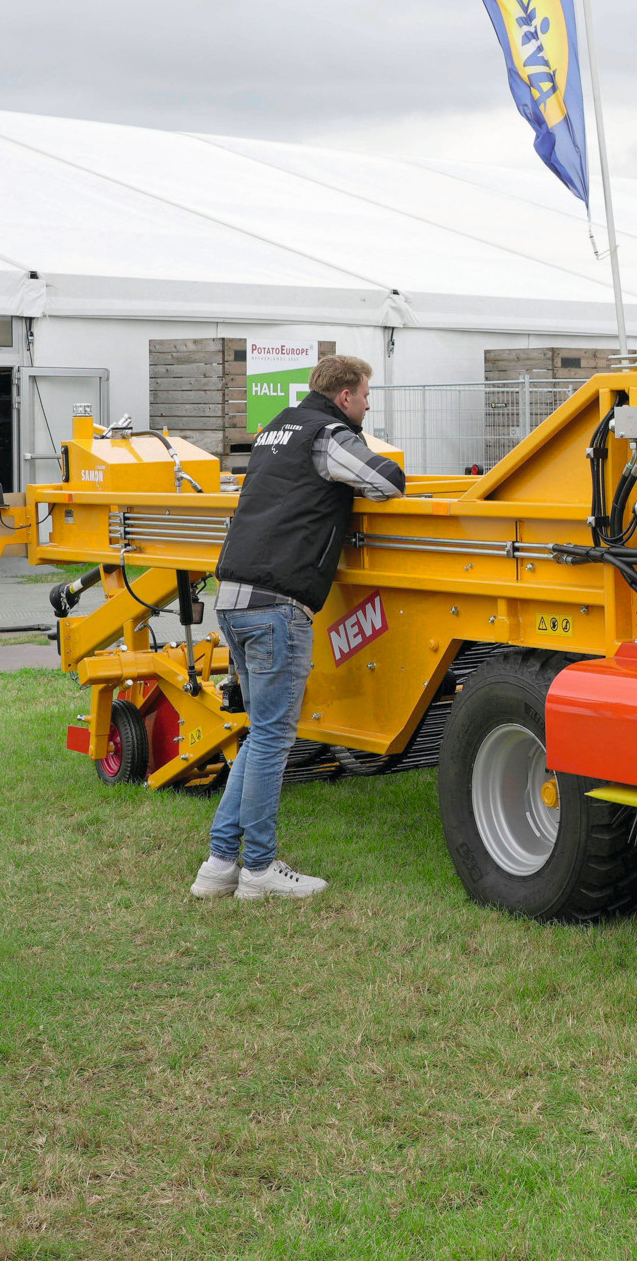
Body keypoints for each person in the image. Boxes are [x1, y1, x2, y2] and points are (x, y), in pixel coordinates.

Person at [190, 353, 405, 900]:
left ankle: (218, 868)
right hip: (278, 605)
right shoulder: (326, 433)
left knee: (260, 731)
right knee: (272, 737)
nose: (368, 404)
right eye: (364, 395)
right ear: (344, 397)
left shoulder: (273, 432)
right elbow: (386, 481)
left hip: (235, 597)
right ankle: (259, 871)